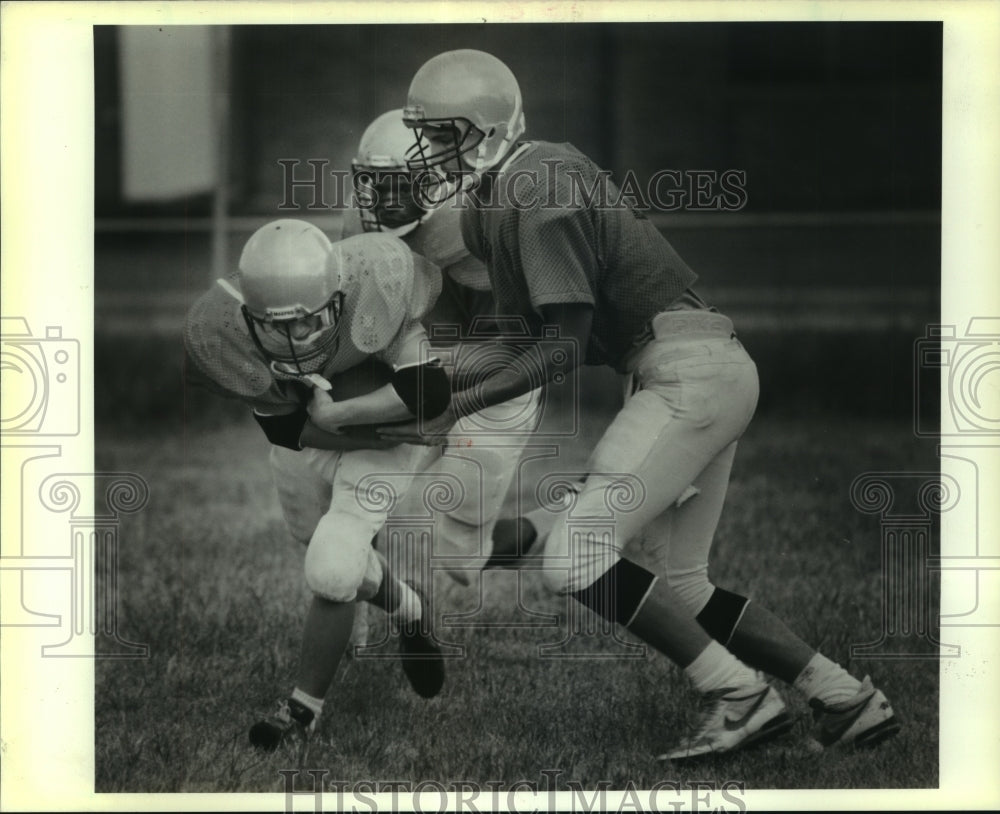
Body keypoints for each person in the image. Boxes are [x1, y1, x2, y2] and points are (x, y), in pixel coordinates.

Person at [383, 49, 900, 760]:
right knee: (680, 585)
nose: (428, 152)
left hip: (687, 374)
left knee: (577, 558)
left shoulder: (536, 189)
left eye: (443, 134)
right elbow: (515, 340)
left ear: (491, 129)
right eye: (426, 135)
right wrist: (429, 389)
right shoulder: (503, 197)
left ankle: (739, 696)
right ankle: (846, 697)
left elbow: (560, 349)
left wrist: (450, 404)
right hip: (696, 370)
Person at [183, 219, 448, 757]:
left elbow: (430, 392)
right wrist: (355, 430)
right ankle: (408, 608)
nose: (298, 338)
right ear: (248, 316)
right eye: (278, 327)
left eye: (309, 321)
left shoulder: (377, 286)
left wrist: (346, 413)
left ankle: (301, 711)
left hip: (386, 438)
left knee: (331, 567)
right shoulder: (226, 331)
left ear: (340, 296)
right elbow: (284, 428)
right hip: (321, 437)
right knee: (322, 550)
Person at [344, 109, 543, 592]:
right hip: (421, 373)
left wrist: (434, 376)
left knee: (459, 557)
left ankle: (556, 521)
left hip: (494, 385)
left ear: (441, 181)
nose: (387, 200)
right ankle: (357, 608)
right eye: (377, 182)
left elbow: (514, 351)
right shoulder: (358, 225)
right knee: (350, 496)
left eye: (404, 184)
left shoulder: (474, 227)